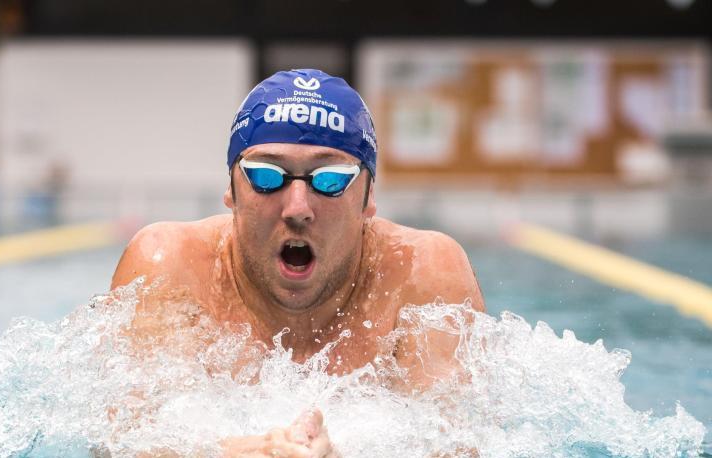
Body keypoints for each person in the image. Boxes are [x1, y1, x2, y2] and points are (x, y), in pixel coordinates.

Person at [111, 69, 485, 458]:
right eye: (266, 176)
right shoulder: (169, 265)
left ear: (369, 195)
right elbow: (129, 442)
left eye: (330, 179)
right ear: (231, 189)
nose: (298, 209)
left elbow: (456, 447)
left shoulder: (424, 273)